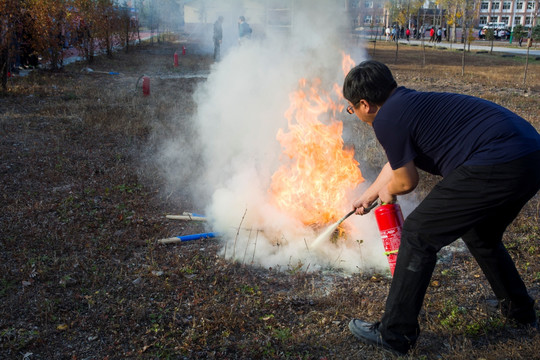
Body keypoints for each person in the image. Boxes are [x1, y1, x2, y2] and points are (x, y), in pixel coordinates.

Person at [342, 60, 540, 355]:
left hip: (496, 160)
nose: (353, 114)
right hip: (530, 155)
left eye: (351, 108)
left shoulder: (386, 120)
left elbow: (406, 181)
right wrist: (369, 195)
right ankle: (519, 311)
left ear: (364, 104)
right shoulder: (406, 103)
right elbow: (395, 164)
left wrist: (387, 194)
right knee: (480, 234)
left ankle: (394, 333)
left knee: (418, 234)